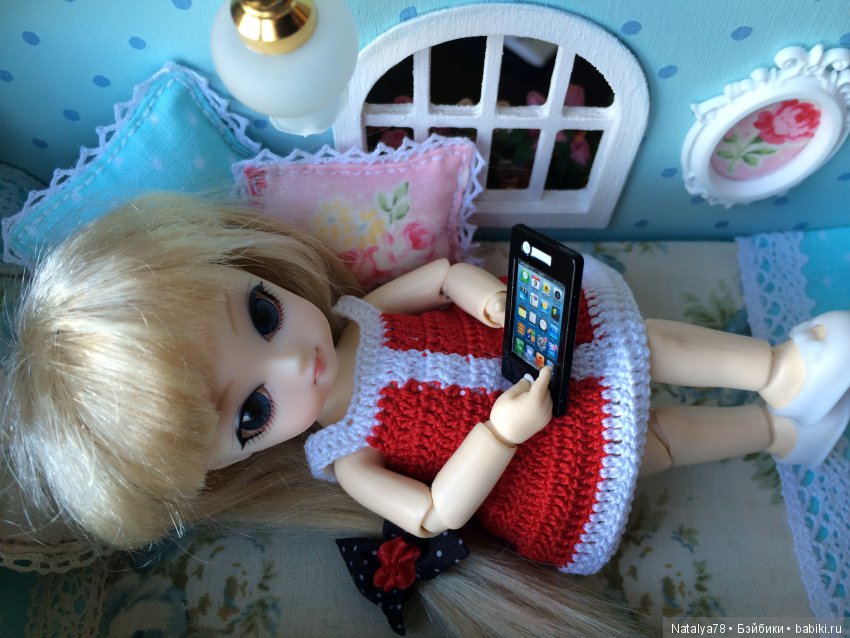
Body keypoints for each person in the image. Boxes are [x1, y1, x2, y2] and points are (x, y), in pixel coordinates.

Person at [2, 194, 847, 637]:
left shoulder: (360, 314)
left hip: (552, 352)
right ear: (230, 463)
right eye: (253, 411)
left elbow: (440, 277)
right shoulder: (347, 456)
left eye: (261, 314)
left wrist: (484, 299)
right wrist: (502, 434)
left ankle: (781, 370)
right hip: (541, 465)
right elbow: (436, 512)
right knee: (654, 443)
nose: (293, 362)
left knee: (648, 341)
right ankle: (781, 433)